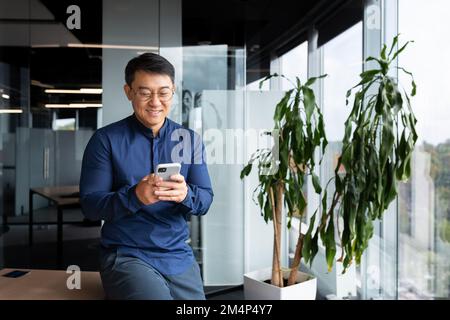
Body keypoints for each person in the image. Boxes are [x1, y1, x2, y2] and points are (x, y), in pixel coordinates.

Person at [79, 53, 214, 300]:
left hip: (177, 254)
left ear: (173, 91)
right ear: (129, 92)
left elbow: (205, 200)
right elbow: (90, 206)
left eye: (163, 92)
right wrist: (134, 197)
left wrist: (186, 195)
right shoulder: (105, 140)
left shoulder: (189, 140)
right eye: (145, 92)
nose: (155, 102)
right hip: (127, 254)